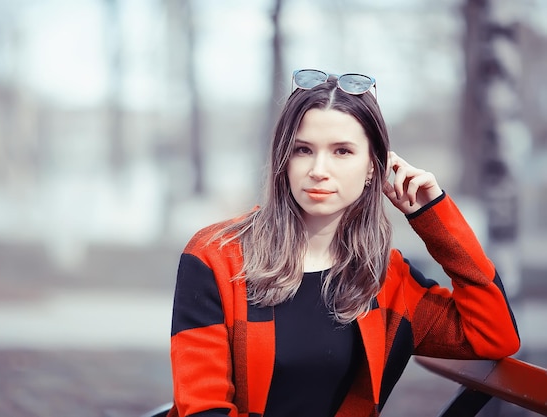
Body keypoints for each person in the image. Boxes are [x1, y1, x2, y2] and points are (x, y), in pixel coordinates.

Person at [166, 70, 520, 417]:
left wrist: (432, 216)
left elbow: (493, 334)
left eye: (342, 151)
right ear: (283, 160)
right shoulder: (216, 255)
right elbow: (203, 408)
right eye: (303, 149)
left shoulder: (387, 279)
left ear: (373, 167)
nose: (319, 169)